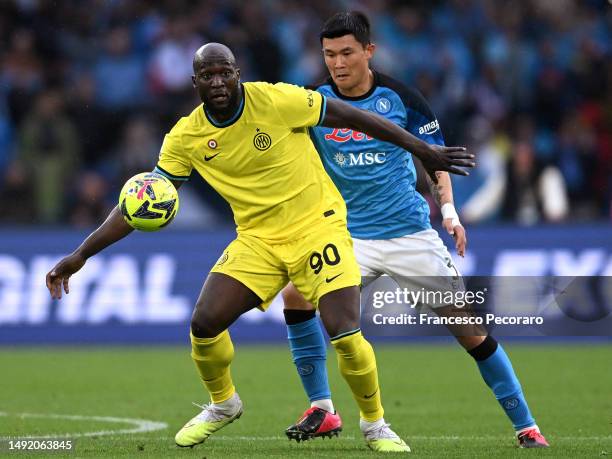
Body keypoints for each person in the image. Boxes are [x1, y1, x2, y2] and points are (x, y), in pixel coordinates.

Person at [45, 42, 474, 453]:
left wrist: (422, 149)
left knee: (343, 328)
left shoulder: (275, 100)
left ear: (237, 75)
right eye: (206, 75)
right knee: (204, 321)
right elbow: (142, 202)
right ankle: (224, 403)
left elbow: (348, 114)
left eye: (224, 72)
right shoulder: (185, 136)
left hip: (317, 226)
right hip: (258, 237)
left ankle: (375, 423)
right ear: (194, 82)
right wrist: (82, 253)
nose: (216, 81)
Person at [281, 12, 549, 449]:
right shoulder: (314, 102)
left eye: (347, 52)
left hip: (409, 235)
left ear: (369, 51)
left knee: (468, 331)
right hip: (348, 236)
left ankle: (527, 426)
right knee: (295, 296)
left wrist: (449, 211)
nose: (337, 63)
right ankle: (323, 409)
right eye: (329, 54)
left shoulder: (401, 98)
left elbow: (433, 158)